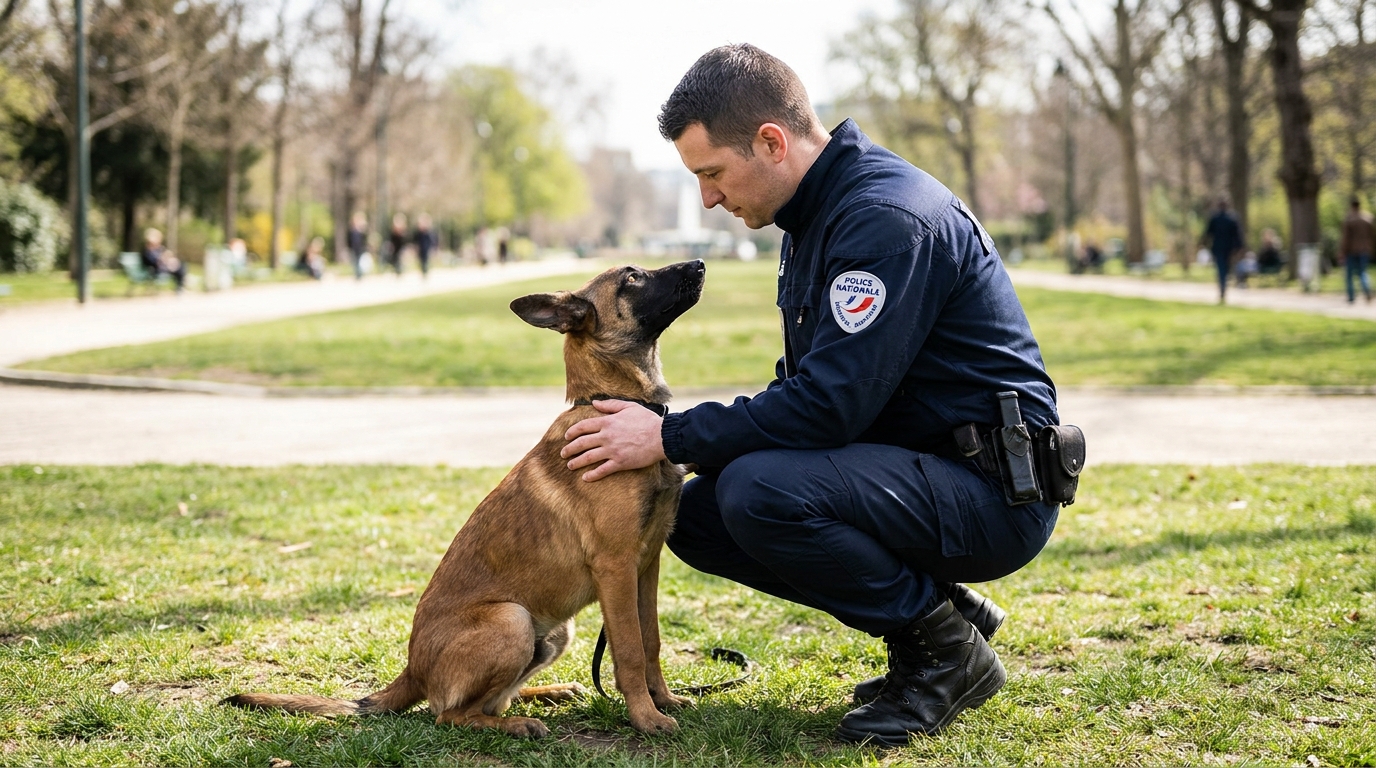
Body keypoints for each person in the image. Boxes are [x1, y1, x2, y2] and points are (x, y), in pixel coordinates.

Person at [559, 44, 1062, 745]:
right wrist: (689, 451)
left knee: (759, 491)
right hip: (918, 474)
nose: (706, 197)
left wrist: (668, 436)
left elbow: (828, 408)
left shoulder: (885, 219)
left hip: (991, 494)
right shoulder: (816, 218)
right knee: (699, 514)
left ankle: (945, 656)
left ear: (771, 142)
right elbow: (805, 390)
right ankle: (941, 616)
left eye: (712, 173)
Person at [1201, 197, 1244, 304]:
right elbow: (1238, 236)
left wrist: (1203, 242)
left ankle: (1223, 287)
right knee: (1223, 269)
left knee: (1222, 269)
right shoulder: (1229, 218)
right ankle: (1223, 287)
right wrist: (1239, 247)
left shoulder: (1217, 218)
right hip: (1227, 249)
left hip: (1220, 248)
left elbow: (1208, 233)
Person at [1340, 196, 1374, 304]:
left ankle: (1351, 296)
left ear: (1351, 206)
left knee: (1349, 274)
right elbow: (1372, 236)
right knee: (1363, 272)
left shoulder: (1349, 219)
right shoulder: (1368, 218)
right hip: (1364, 249)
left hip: (1351, 250)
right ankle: (1366, 289)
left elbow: (1346, 238)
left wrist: (1342, 251)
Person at [139, 227, 186, 292]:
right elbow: (152, 262)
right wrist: (163, 259)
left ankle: (179, 287)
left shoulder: (159, 249)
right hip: (154, 271)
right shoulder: (147, 251)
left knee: (180, 265)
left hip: (162, 268)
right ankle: (179, 287)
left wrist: (169, 258)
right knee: (178, 268)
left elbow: (165, 257)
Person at [413, 213, 437, 278]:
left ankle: (425, 272)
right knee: (421, 262)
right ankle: (423, 272)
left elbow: (433, 241)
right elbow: (415, 241)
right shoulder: (418, 233)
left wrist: (433, 249)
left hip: (426, 249)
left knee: (426, 262)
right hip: (420, 250)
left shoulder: (429, 233)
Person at [348, 212, 369, 280]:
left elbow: (364, 239)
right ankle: (357, 274)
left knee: (359, 261)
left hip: (360, 248)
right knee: (355, 261)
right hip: (355, 248)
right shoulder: (353, 230)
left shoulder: (361, 231)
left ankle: (359, 274)